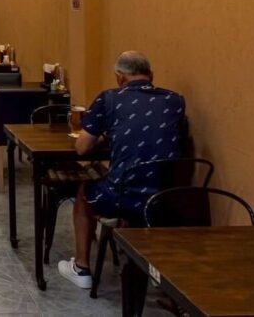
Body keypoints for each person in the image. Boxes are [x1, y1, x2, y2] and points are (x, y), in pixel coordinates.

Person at [58, 51, 187, 290]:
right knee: (130, 181)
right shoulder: (175, 101)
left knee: (85, 191)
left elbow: (82, 148)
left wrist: (103, 136)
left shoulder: (109, 99)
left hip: (122, 196)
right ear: (151, 75)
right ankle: (151, 267)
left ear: (119, 78)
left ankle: (82, 268)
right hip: (166, 196)